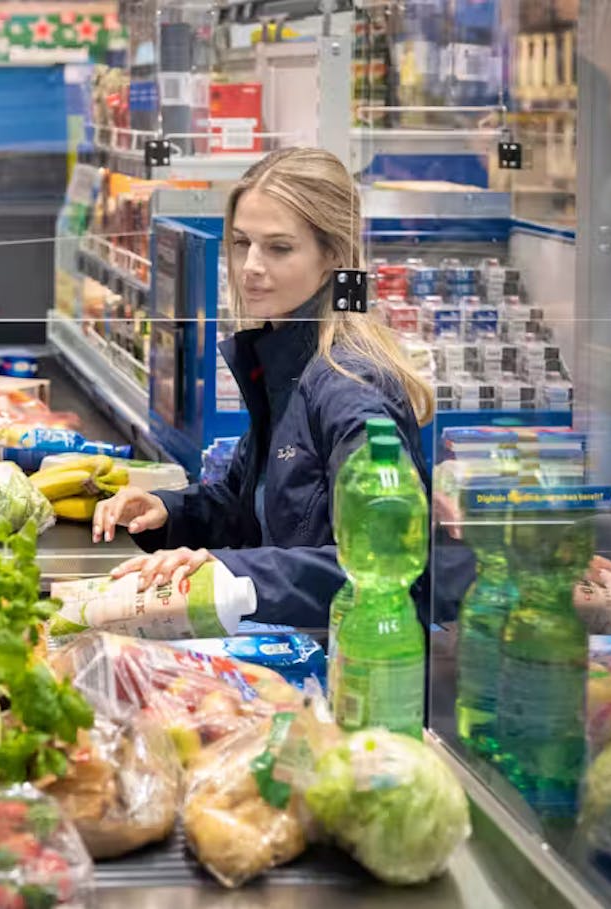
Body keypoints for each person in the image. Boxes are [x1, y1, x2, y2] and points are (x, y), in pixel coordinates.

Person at [91, 147, 435, 627]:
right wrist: (167, 511)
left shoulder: (352, 386)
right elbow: (248, 507)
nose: (250, 265)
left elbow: (386, 569)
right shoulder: (286, 360)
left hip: (348, 664)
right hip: (288, 637)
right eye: (240, 243)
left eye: (278, 247)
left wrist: (232, 570)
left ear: (332, 257)